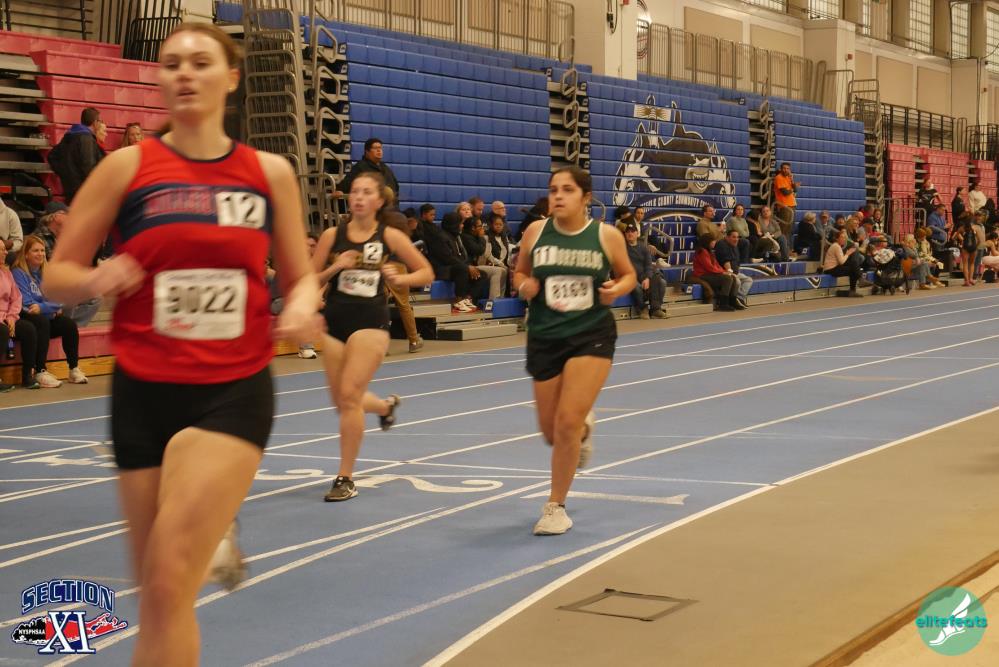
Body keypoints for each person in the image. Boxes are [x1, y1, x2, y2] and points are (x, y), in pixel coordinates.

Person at [42, 23, 323, 665]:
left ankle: (207, 518)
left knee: (170, 574)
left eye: (200, 62)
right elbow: (58, 276)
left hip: (231, 390)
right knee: (159, 598)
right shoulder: (127, 167)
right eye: (172, 64)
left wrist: (303, 306)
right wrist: (97, 277)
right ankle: (210, 527)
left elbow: (301, 275)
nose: (185, 73)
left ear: (231, 78)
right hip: (142, 392)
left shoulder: (268, 173)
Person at [513, 166, 636, 535]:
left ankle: (555, 507)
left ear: (586, 198)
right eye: (553, 190)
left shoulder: (606, 235)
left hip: (590, 333)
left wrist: (617, 290)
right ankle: (583, 427)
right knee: (552, 432)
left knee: (565, 423)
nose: (558, 196)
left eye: (567, 190)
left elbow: (628, 274)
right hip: (544, 335)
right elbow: (519, 272)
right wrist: (524, 286)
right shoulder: (536, 232)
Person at [313, 171, 433, 502]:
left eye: (367, 192)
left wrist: (400, 278)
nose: (359, 197)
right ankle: (383, 407)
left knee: (350, 396)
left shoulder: (389, 236)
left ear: (379, 201)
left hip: (370, 321)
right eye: (355, 191)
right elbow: (308, 279)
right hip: (335, 321)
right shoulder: (332, 235)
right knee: (343, 400)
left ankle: (345, 477)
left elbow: (426, 272)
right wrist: (336, 267)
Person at [12, 235, 88, 387]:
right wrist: (50, 308)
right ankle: (40, 371)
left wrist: (43, 307)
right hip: (26, 318)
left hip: (42, 317)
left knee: (68, 324)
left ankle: (73, 369)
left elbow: (60, 300)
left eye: (42, 250)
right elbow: (27, 304)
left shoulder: (47, 273)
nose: (40, 254)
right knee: (42, 322)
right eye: (35, 251)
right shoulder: (18, 273)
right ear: (25, 254)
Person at [379, 206, 424, 353]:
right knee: (404, 305)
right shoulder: (398, 222)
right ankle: (413, 340)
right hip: (397, 266)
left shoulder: (379, 224)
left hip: (380, 266)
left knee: (379, 306)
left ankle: (381, 345)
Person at [46, 107, 105, 203]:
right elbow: (88, 167)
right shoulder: (86, 139)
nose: (101, 123)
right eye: (100, 121)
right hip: (84, 191)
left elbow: (52, 156)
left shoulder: (70, 135)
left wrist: (65, 174)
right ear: (95, 122)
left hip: (70, 189)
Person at [0, 241, 38, 391]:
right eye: (1, 250)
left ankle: (27, 376)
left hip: (7, 316)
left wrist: (11, 317)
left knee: (28, 329)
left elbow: (16, 298)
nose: (5, 253)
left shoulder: (6, 273)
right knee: (2, 331)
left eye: (5, 249)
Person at [623, 223, 665, 319]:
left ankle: (655, 309)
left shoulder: (643, 247)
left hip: (643, 275)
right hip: (630, 277)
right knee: (636, 285)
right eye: (628, 232)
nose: (630, 234)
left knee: (660, 281)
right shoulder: (622, 248)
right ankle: (643, 308)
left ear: (637, 233)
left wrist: (647, 278)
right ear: (625, 234)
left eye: (632, 231)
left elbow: (648, 265)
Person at [692, 233, 742, 311]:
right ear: (707, 241)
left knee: (732, 277)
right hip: (702, 275)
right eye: (713, 241)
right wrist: (722, 273)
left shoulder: (710, 252)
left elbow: (717, 265)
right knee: (727, 279)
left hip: (710, 274)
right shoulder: (702, 252)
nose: (715, 242)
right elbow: (709, 267)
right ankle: (723, 304)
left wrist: (726, 272)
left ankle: (732, 300)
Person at [716, 229, 753, 308]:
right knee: (737, 281)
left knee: (748, 280)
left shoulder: (735, 246)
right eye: (733, 237)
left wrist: (736, 272)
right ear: (727, 237)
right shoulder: (722, 244)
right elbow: (725, 261)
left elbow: (737, 262)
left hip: (735, 272)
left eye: (737, 237)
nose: (736, 239)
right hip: (725, 273)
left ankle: (739, 298)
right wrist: (731, 273)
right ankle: (733, 300)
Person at [823, 229, 864, 297]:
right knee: (853, 269)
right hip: (831, 269)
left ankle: (857, 284)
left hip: (834, 267)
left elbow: (841, 260)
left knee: (853, 265)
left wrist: (848, 254)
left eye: (845, 238)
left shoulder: (837, 246)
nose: (844, 239)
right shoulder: (836, 246)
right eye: (842, 237)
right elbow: (841, 262)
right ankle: (857, 283)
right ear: (837, 239)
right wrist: (848, 254)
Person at [482, 212, 513, 295]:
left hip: (502, 264)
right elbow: (488, 255)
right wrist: (500, 264)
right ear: (491, 225)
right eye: (496, 224)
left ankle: (505, 296)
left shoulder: (504, 237)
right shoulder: (486, 237)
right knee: (503, 270)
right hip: (490, 263)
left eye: (500, 224)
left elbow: (507, 252)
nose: (498, 226)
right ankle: (496, 298)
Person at [773, 162, 799, 237]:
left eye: (788, 169)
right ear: (781, 169)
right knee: (784, 227)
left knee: (789, 228)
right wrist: (792, 189)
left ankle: (787, 243)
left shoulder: (788, 177)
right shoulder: (779, 177)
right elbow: (785, 192)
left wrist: (792, 180)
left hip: (792, 204)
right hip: (784, 206)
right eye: (784, 168)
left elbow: (795, 190)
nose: (786, 170)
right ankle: (782, 243)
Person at [0, 197, 23, 264]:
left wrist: (3, 248)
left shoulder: (10, 214)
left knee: (12, 256)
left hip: (4, 254)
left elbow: (18, 241)